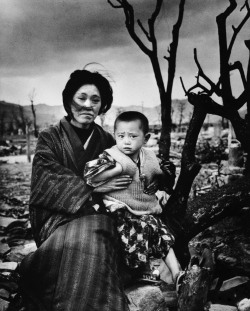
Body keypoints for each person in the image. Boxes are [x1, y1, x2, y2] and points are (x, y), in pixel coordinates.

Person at [19, 69, 133, 311]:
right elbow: (47, 179)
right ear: (69, 99)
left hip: (98, 216)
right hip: (56, 218)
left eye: (95, 100)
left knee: (96, 232)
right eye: (81, 98)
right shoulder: (50, 138)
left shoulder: (108, 141)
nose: (87, 105)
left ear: (103, 106)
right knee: (87, 238)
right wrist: (95, 186)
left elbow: (131, 169)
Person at [84, 111, 184, 290]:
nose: (126, 141)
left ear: (145, 138)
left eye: (132, 136)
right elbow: (90, 177)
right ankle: (140, 270)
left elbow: (160, 178)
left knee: (161, 232)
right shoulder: (111, 155)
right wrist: (117, 169)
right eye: (121, 136)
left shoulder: (150, 157)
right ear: (114, 136)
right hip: (119, 207)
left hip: (143, 207)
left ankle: (178, 274)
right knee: (138, 229)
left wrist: (164, 178)